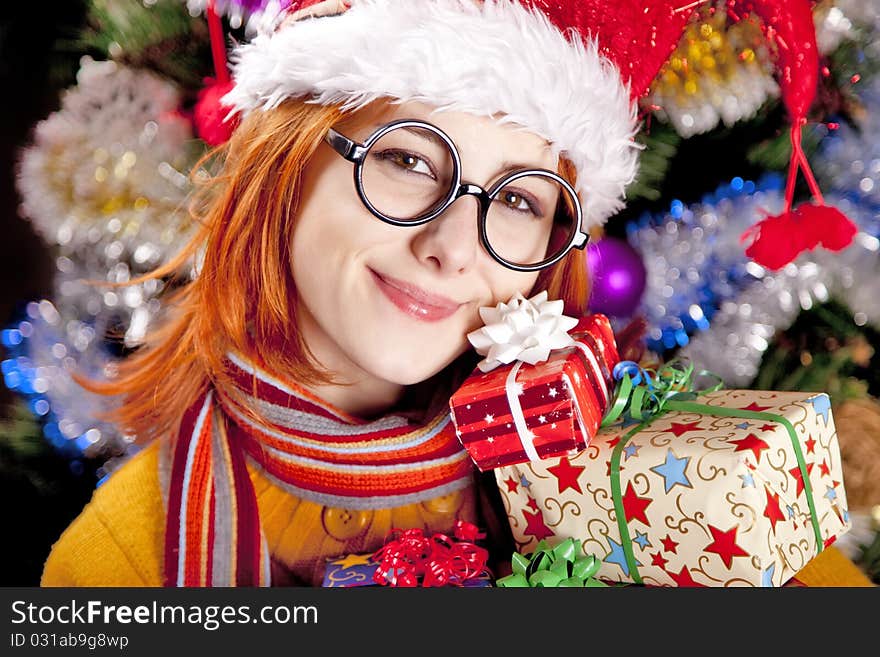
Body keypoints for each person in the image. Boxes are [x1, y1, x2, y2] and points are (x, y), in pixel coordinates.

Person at [39, 0, 871, 588]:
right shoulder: (126, 557)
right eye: (406, 160)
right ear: (283, 170)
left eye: (515, 201)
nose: (449, 248)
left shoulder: (651, 471)